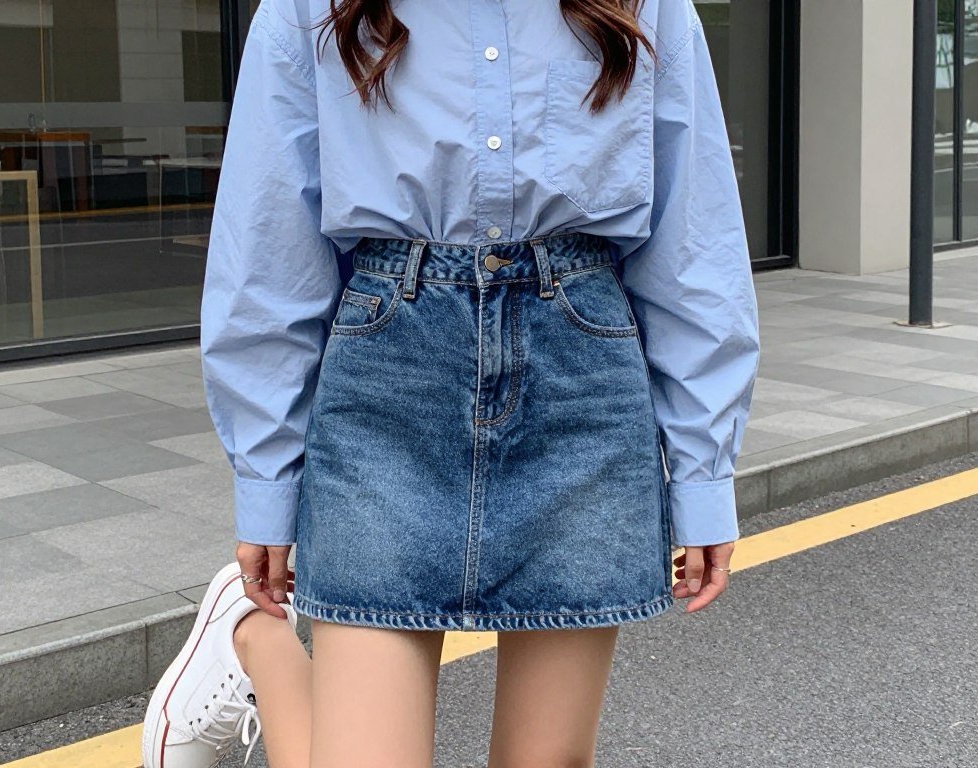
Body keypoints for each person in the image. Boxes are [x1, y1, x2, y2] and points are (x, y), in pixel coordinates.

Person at [142, 0, 760, 765]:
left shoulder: (645, 6)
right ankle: (253, 639)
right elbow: (268, 252)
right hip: (389, 377)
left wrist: (703, 472)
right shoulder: (311, 8)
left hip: (579, 379)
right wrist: (268, 478)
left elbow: (693, 246)